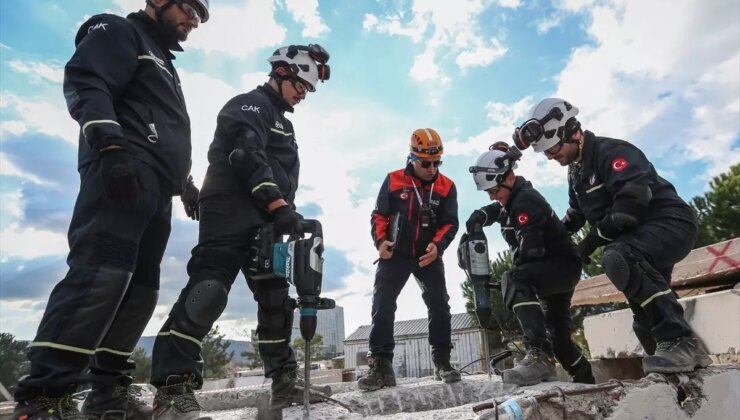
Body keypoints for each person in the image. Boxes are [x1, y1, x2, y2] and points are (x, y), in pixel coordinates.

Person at [12, 1, 208, 419]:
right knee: (102, 273)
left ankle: (107, 390)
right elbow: (87, 81)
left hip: (157, 188)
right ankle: (46, 394)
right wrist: (110, 145)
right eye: (190, 8)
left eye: (199, 17)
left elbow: (159, 126)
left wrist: (185, 185)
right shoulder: (118, 30)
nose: (193, 20)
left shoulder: (164, 61)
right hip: (121, 170)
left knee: (141, 290)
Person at [147, 43, 331, 418]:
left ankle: (283, 381)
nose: (303, 93)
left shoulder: (285, 122)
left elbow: (277, 172)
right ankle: (172, 388)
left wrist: (284, 210)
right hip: (229, 209)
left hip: (266, 219)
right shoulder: (248, 105)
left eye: (308, 90)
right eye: (300, 84)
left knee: (276, 298)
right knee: (208, 291)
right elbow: (246, 155)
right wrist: (278, 205)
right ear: (281, 72)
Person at [512, 97, 712, 374]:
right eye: (544, 152)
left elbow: (629, 209)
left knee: (618, 256)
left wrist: (587, 245)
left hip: (669, 223)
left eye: (552, 148)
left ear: (572, 131)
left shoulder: (612, 152)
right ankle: (677, 375)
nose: (549, 155)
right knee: (644, 319)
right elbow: (575, 214)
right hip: (636, 241)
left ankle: (682, 341)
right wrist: (551, 238)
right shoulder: (575, 172)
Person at [465, 142, 595, 386]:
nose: (493, 196)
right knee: (560, 340)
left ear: (509, 177)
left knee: (514, 278)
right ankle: (587, 381)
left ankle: (538, 354)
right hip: (554, 270)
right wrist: (481, 215)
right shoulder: (512, 199)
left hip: (558, 267)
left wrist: (509, 283)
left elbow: (532, 251)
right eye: (489, 193)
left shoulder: (526, 202)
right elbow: (499, 210)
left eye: (494, 190)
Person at [358, 128, 460, 391]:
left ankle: (443, 362)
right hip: (396, 254)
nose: (431, 168)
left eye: (437, 162)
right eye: (426, 163)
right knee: (383, 303)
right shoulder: (393, 180)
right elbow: (379, 215)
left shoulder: (447, 187)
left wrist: (438, 246)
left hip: (428, 255)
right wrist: (380, 242)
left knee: (439, 303)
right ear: (412, 158)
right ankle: (381, 366)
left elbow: (450, 223)